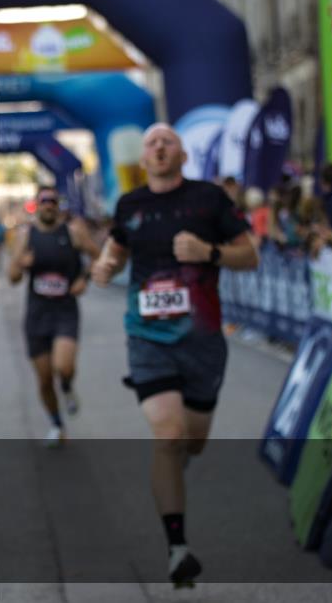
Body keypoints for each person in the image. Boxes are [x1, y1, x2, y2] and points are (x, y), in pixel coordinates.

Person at [91, 123, 259, 587]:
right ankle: (177, 549)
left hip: (202, 341)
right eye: (151, 143)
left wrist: (210, 252)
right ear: (143, 159)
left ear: (183, 155)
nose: (159, 146)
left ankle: (176, 466)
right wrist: (105, 265)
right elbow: (116, 251)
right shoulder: (130, 204)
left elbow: (251, 255)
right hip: (147, 337)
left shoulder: (208, 199)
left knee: (193, 441)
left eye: (168, 141)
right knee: (167, 436)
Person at [9, 186, 99, 446]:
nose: (49, 205)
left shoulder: (73, 232)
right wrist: (20, 265)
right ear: (36, 205)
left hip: (65, 311)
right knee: (45, 377)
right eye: (43, 201)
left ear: (58, 205)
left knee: (63, 367)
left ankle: (68, 387)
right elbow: (12, 278)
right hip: (37, 315)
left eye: (53, 201)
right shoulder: (25, 235)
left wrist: (85, 279)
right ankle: (56, 424)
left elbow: (97, 256)